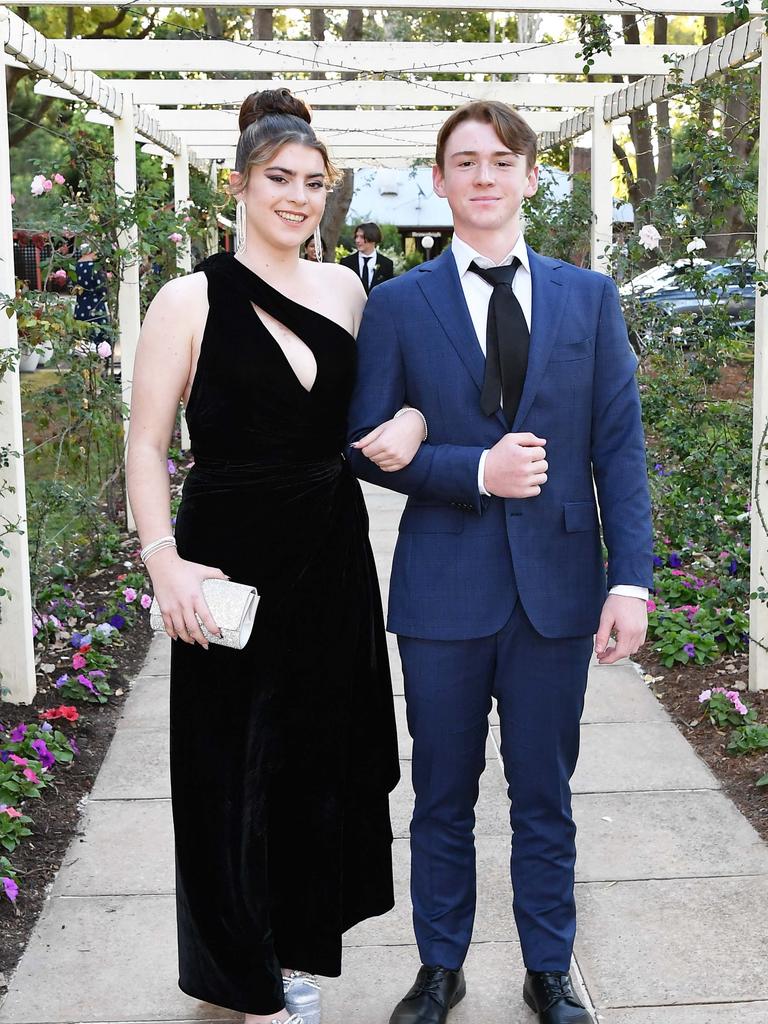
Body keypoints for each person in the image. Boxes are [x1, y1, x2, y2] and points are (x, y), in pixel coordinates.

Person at [347, 101, 653, 1024]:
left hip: (557, 592)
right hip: (442, 591)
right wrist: (473, 469)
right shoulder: (399, 305)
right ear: (439, 183)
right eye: (465, 162)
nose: (484, 176)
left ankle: (548, 967)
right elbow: (366, 446)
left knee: (544, 796)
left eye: (502, 160)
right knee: (440, 792)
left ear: (529, 176)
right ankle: (439, 968)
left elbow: (619, 449)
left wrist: (629, 578)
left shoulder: (589, 298)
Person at [126, 88, 426, 1024]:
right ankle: (237, 979)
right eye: (280, 180)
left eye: (314, 183)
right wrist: (163, 561)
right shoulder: (188, 298)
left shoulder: (345, 290)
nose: (298, 198)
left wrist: (413, 419)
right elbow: (144, 445)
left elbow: (380, 410)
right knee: (225, 771)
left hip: (330, 551)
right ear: (240, 184)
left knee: (314, 761)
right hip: (225, 560)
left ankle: (293, 952)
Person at [340, 222, 394, 293]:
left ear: (373, 238)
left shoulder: (386, 264)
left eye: (362, 237)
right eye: (356, 236)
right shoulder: (346, 263)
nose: (357, 241)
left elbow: (388, 291)